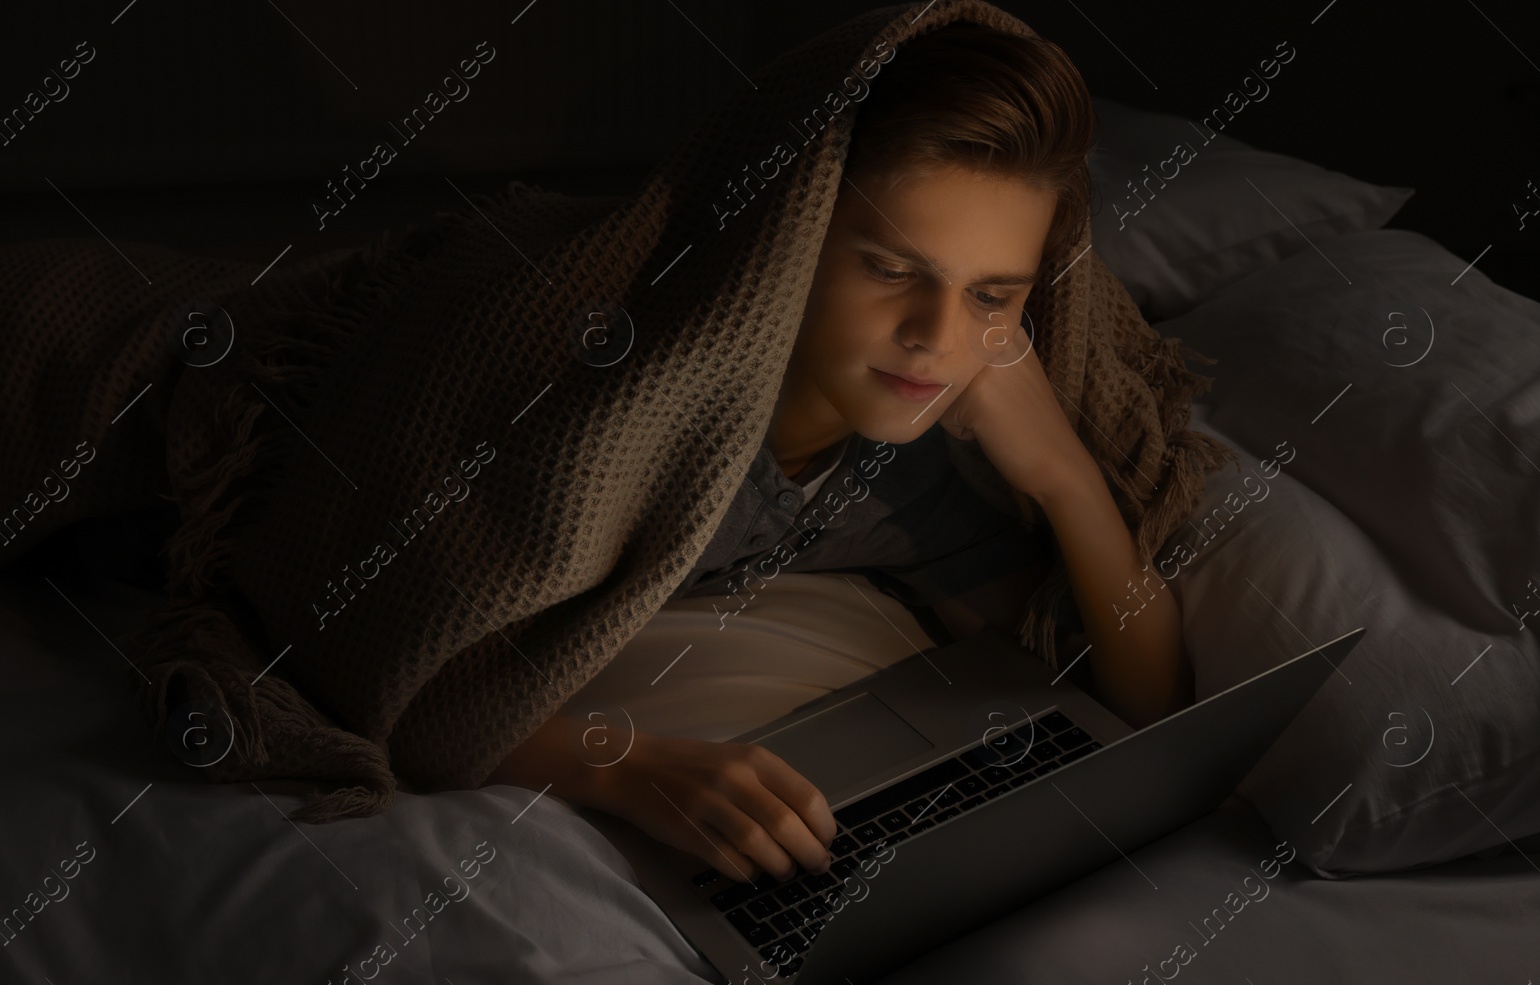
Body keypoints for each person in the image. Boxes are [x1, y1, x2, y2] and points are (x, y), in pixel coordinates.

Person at [487, 23, 1196, 888]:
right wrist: (625, 768)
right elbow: (404, 684)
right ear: (793, 243)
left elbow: (1146, 704)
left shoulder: (927, 466)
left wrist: (1066, 476)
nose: (936, 338)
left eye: (989, 294)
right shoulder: (623, 432)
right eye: (893, 268)